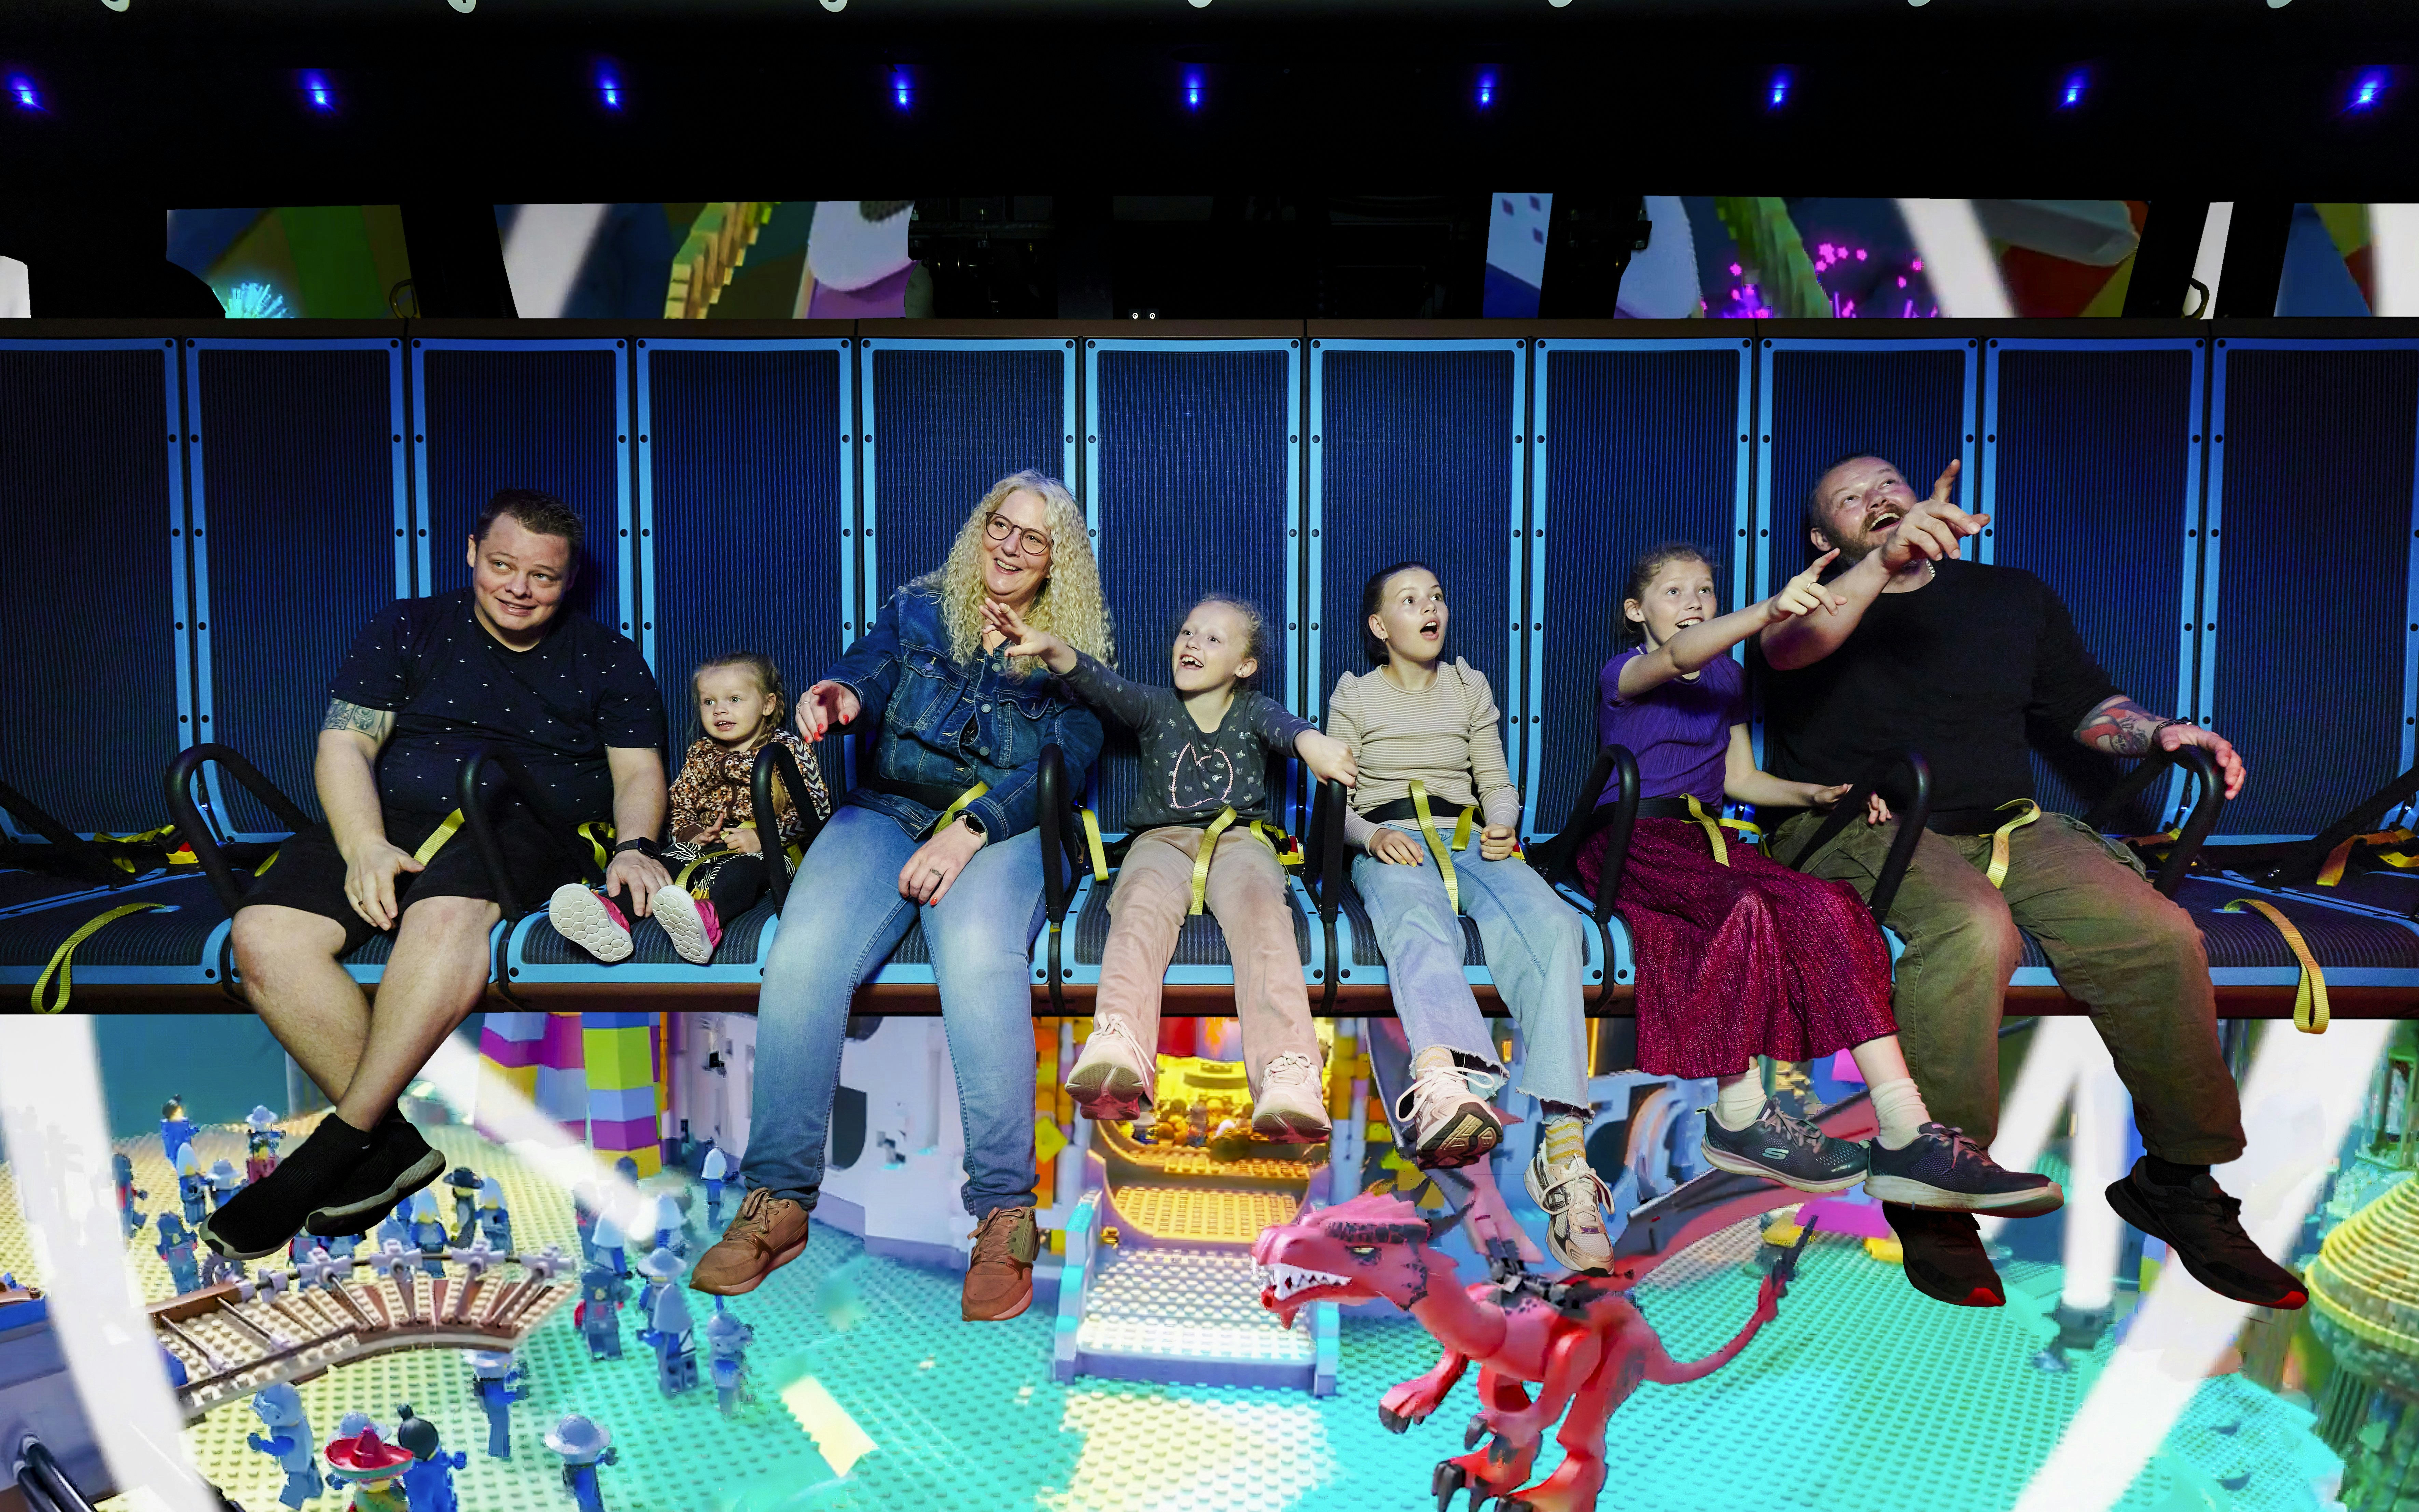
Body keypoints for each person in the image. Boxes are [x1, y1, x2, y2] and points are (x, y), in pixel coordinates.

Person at [1757, 452, 2297, 1311]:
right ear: (1823, 537)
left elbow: (2086, 708)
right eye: (1850, 501)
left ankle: (2176, 1182)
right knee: (1972, 928)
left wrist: (2162, 732)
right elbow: (1787, 653)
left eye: (1889, 486)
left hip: (2008, 824)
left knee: (2157, 934)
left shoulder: (2009, 595)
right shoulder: (1810, 600)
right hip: (1855, 825)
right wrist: (1877, 569)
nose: (1879, 501)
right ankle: (1929, 1181)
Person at [691, 471, 1112, 1322]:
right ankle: (778, 1199)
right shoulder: (919, 606)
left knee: (976, 956)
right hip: (887, 808)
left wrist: (969, 832)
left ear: (1056, 561)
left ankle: (1002, 1213)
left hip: (1004, 825)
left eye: (1033, 538)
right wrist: (839, 695)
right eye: (1000, 524)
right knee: (802, 950)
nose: (1008, 546)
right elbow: (866, 670)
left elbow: (1061, 765)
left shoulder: (1072, 651)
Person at [212, 489, 669, 1263]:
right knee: (262, 933)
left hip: (520, 821)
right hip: (389, 815)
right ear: (469, 553)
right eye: (501, 565)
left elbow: (636, 772)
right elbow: (346, 747)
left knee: (443, 917)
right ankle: (390, 1146)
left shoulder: (607, 655)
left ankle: (330, 1152)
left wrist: (634, 845)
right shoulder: (407, 627)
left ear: (568, 579)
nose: (518, 588)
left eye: (543, 576)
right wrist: (362, 845)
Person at [1580, 542, 2058, 1235]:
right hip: (1633, 837)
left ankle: (1905, 1131)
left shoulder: (1726, 674)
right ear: (1636, 611)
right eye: (1674, 592)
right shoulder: (1625, 670)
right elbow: (1677, 658)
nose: (1692, 603)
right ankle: (1738, 1111)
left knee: (1830, 905)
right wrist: (1771, 609)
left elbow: (1740, 778)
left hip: (1709, 840)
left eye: (1704, 591)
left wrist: (1816, 791)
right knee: (1740, 909)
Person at [986, 593, 1359, 1141]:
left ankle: (1288, 1072)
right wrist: (1050, 650)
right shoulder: (1155, 707)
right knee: (1137, 902)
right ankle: (1119, 1044)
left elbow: (1287, 728)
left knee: (1263, 917)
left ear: (1243, 666)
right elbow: (1098, 681)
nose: (1192, 644)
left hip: (1239, 840)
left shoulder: (1252, 708)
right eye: (1187, 633)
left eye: (1213, 639)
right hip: (1159, 840)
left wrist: (1315, 745)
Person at [1327, 562, 1611, 1273]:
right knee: (1420, 926)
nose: (1431, 608)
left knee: (1553, 926)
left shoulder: (1467, 685)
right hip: (1392, 837)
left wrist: (1504, 824)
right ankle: (1447, 1085)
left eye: (1438, 595)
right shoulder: (1354, 694)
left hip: (1468, 837)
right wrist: (1367, 838)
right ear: (1378, 625)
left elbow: (1494, 777)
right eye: (1409, 600)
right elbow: (1338, 795)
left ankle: (1563, 1153)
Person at [549, 652, 831, 966]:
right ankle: (612, 916)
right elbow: (680, 803)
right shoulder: (701, 754)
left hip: (775, 853)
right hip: (709, 847)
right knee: (664, 863)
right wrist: (694, 833)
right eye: (708, 702)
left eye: (735, 699)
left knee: (743, 871)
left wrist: (764, 837)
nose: (720, 709)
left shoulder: (788, 750)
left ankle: (705, 921)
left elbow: (816, 811)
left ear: (767, 704)